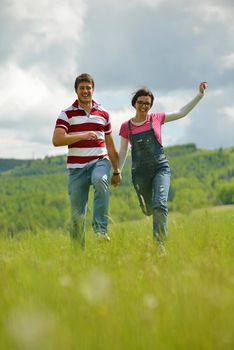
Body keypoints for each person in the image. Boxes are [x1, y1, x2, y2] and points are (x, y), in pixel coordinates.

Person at [119, 82, 208, 247]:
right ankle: (147, 208)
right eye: (140, 102)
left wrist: (200, 95)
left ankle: (159, 246)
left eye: (147, 103)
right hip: (139, 173)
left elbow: (182, 112)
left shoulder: (157, 119)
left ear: (151, 105)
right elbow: (123, 152)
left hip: (160, 167)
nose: (144, 106)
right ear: (134, 103)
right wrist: (117, 171)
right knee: (149, 210)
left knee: (160, 204)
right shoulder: (126, 127)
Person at [52, 73, 121, 249]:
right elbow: (57, 140)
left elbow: (111, 145)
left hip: (99, 161)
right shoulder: (66, 114)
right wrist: (82, 135)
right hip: (76, 169)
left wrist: (116, 170)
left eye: (88, 88)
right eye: (82, 88)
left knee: (100, 180)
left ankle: (101, 230)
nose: (85, 91)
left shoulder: (103, 114)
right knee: (77, 215)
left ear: (93, 89)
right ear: (76, 91)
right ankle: (78, 256)